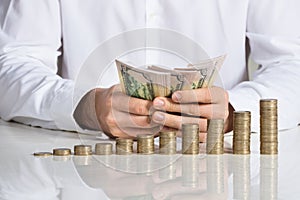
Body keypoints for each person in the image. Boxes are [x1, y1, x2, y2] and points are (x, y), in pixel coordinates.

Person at [0, 0, 299, 140]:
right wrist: (86, 106)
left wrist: (235, 111)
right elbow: (12, 65)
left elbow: (292, 63)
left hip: (222, 171)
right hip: (77, 174)